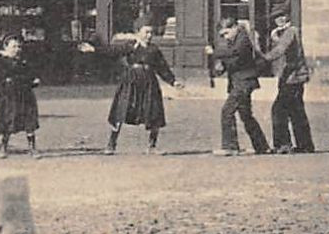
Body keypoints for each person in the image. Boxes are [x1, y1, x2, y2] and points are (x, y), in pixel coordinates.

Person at [81, 23, 183, 154]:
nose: (149, 35)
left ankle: (152, 146)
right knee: (120, 111)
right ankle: (111, 144)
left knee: (154, 112)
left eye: (151, 32)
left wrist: (173, 81)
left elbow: (162, 68)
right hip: (131, 81)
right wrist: (94, 49)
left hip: (149, 82)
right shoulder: (131, 46)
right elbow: (112, 51)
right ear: (138, 32)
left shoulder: (154, 50)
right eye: (146, 32)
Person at [208, 17, 270, 156]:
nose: (225, 37)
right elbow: (233, 60)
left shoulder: (243, 38)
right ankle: (261, 146)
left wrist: (215, 53)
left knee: (227, 111)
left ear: (235, 27)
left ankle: (230, 146)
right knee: (246, 115)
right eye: (222, 35)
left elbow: (236, 53)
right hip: (239, 82)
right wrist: (220, 68)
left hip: (244, 81)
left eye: (226, 33)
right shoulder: (233, 41)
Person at [263, 5, 315, 153]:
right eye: (275, 17)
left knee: (278, 110)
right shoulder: (280, 33)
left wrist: (262, 58)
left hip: (294, 76)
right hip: (288, 77)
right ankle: (305, 145)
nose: (279, 19)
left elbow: (280, 50)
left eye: (282, 15)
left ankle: (283, 144)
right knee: (296, 111)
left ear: (287, 16)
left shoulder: (291, 31)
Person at [0, 36, 40, 157]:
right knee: (8, 120)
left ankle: (32, 148)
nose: (17, 49)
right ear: (6, 47)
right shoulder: (2, 61)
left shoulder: (25, 61)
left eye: (19, 46)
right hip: (9, 96)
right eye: (13, 46)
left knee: (29, 121)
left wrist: (34, 80)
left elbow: (32, 75)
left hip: (26, 94)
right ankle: (3, 147)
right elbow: (1, 76)